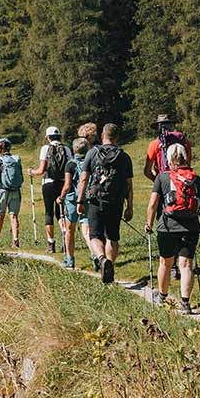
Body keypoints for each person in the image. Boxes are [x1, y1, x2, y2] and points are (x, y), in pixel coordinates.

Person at [145, 142, 200, 313]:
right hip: (191, 226)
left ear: (169, 160)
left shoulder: (162, 177)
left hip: (167, 227)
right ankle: (185, 303)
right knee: (186, 264)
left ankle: (162, 296)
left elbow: (153, 204)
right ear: (186, 158)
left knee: (165, 262)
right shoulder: (195, 178)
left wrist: (149, 224)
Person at [80, 121, 135, 284]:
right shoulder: (124, 157)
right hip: (116, 201)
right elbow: (129, 184)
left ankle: (102, 259)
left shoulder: (92, 153)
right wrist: (129, 206)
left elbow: (84, 178)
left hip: (96, 199)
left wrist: (80, 200)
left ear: (102, 136)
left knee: (95, 235)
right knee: (112, 237)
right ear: (116, 138)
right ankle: (110, 266)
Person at [31, 124, 74, 254]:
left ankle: (51, 243)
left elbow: (41, 170)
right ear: (59, 136)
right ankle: (65, 238)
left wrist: (32, 172)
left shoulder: (45, 149)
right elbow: (71, 167)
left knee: (49, 212)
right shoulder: (66, 149)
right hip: (63, 183)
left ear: (48, 137)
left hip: (48, 183)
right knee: (60, 212)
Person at [57, 136, 91, 268]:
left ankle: (69, 260)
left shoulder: (70, 164)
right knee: (87, 229)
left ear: (74, 149)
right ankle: (95, 254)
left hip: (72, 200)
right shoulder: (91, 162)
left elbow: (67, 185)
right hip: (87, 198)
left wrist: (61, 197)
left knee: (69, 229)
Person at [144, 114, 190, 181]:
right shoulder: (185, 142)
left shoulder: (154, 144)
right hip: (182, 180)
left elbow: (147, 172)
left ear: (158, 128)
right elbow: (187, 164)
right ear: (172, 126)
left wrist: (158, 182)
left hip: (164, 181)